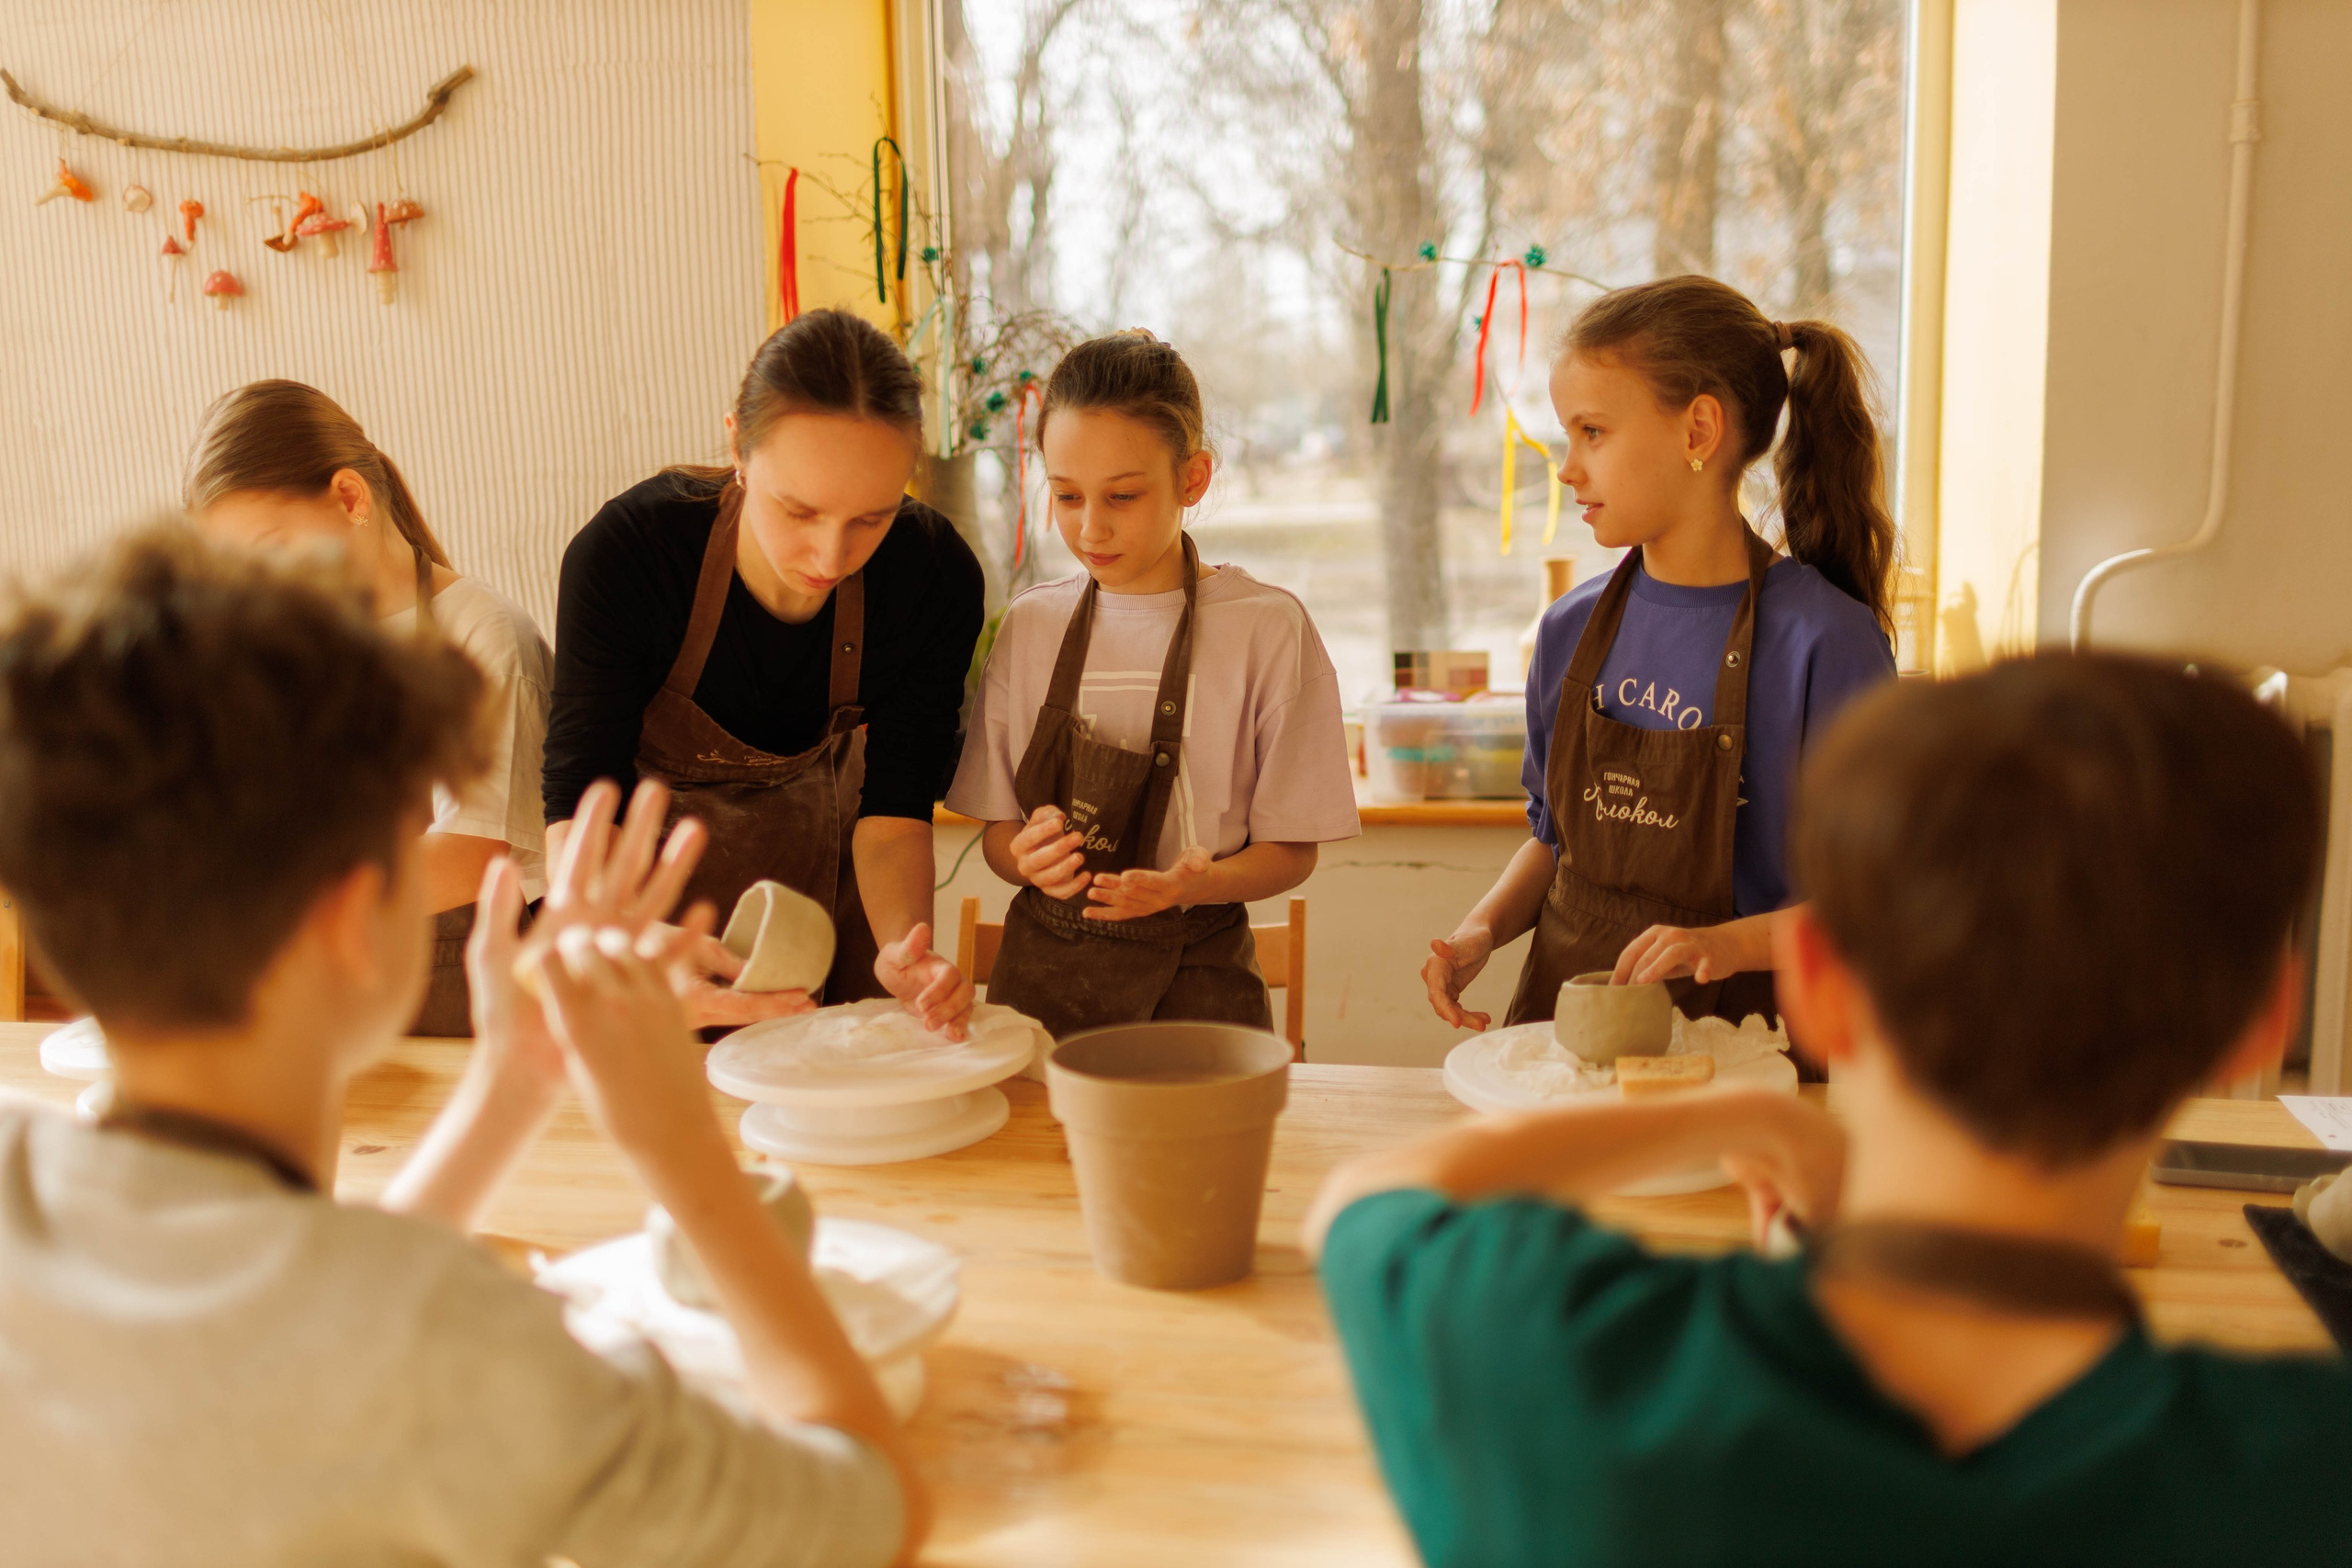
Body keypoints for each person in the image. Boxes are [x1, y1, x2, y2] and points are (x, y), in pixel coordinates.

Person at [0, 528, 927, 1566]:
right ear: (356, 918)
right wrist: (684, 1155)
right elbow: (870, 1509)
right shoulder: (457, 1353)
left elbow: (293, 1334)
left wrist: (510, 1083)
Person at [1313, 653, 2349, 1566]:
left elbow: (1363, 1204)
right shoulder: (2305, 1474)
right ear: (2262, 1022)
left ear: (1810, 980)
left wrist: (1732, 1119)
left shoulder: (1557, 1363)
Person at [1423, 276, 1895, 1034]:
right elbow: (1554, 845)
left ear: (1698, 431)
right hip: (1563, 1043)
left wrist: (1722, 945)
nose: (1567, 467)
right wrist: (1480, 929)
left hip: (1748, 1054)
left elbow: (1875, 908)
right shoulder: (1567, 631)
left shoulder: (1825, 644)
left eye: (1593, 432)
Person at [547, 310, 981, 1035]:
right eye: (798, 509)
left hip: (829, 910)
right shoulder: (632, 554)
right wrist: (626, 949)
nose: (830, 554)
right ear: (738, 447)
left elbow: (896, 805)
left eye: (871, 518)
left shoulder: (931, 573)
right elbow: (581, 794)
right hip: (646, 915)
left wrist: (907, 948)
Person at [944, 331, 1359, 1040]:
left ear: (1192, 478)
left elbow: (1294, 849)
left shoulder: (1267, 627)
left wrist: (1200, 884)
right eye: (1066, 495)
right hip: (1042, 986)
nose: (1089, 527)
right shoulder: (1032, 624)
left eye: (1123, 496)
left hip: (1201, 984)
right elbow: (997, 834)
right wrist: (1025, 857)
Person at [186, 379, 551, 1035]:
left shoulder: (483, 634)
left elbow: (477, 852)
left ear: (350, 498)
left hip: (478, 1007)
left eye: (270, 548)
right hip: (349, 1000)